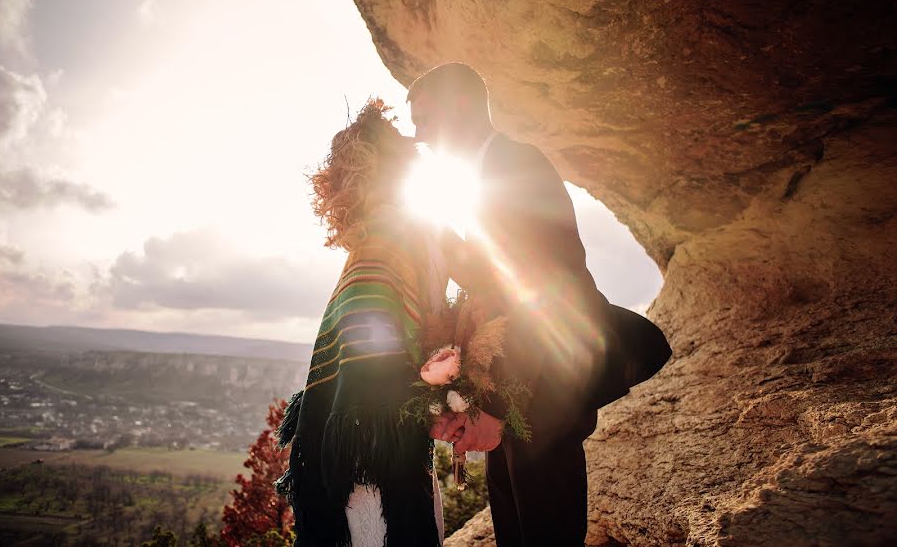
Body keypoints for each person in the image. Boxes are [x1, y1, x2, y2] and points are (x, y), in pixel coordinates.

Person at [410, 62, 670, 546]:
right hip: (521, 390)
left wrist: (494, 406)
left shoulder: (515, 166)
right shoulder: (489, 173)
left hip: (546, 389)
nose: (418, 135)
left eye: (424, 119)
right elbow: (497, 278)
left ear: (460, 107)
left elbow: (543, 291)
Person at [275, 99, 447, 546]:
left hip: (373, 458)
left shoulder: (392, 236)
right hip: (376, 461)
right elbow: (372, 336)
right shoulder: (393, 238)